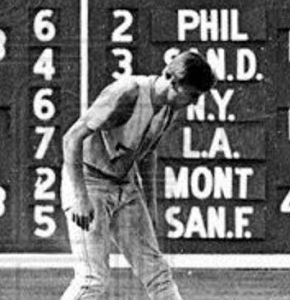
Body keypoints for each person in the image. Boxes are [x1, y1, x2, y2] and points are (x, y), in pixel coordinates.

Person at [59, 51, 217, 300]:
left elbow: (147, 155)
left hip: (125, 184)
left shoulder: (168, 108)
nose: (194, 102)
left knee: (159, 275)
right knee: (92, 281)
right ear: (174, 82)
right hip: (89, 182)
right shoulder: (129, 92)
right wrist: (79, 196)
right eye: (193, 95)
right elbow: (72, 138)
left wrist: (150, 207)